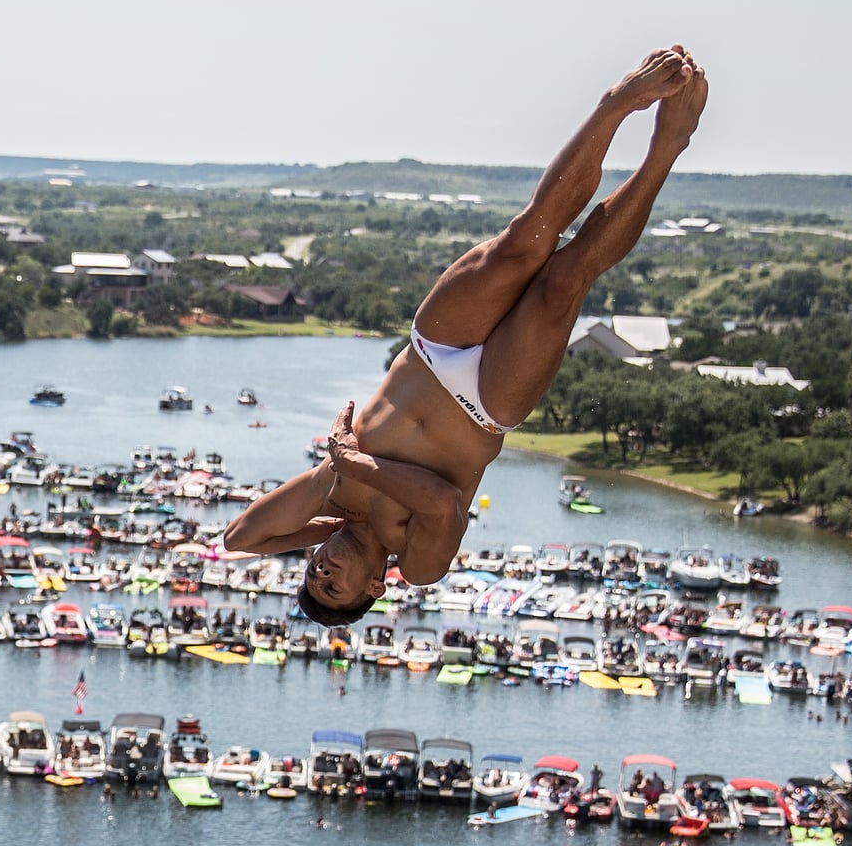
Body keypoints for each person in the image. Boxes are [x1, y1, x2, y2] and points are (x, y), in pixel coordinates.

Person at [224, 48, 707, 621]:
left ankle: (617, 104)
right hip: (488, 404)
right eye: (332, 588)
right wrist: (350, 464)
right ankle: (666, 148)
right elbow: (441, 501)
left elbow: (238, 539)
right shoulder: (418, 562)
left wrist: (315, 517)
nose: (322, 572)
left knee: (525, 239)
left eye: (313, 573)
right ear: (374, 589)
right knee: (566, 277)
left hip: (432, 354)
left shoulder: (326, 497)